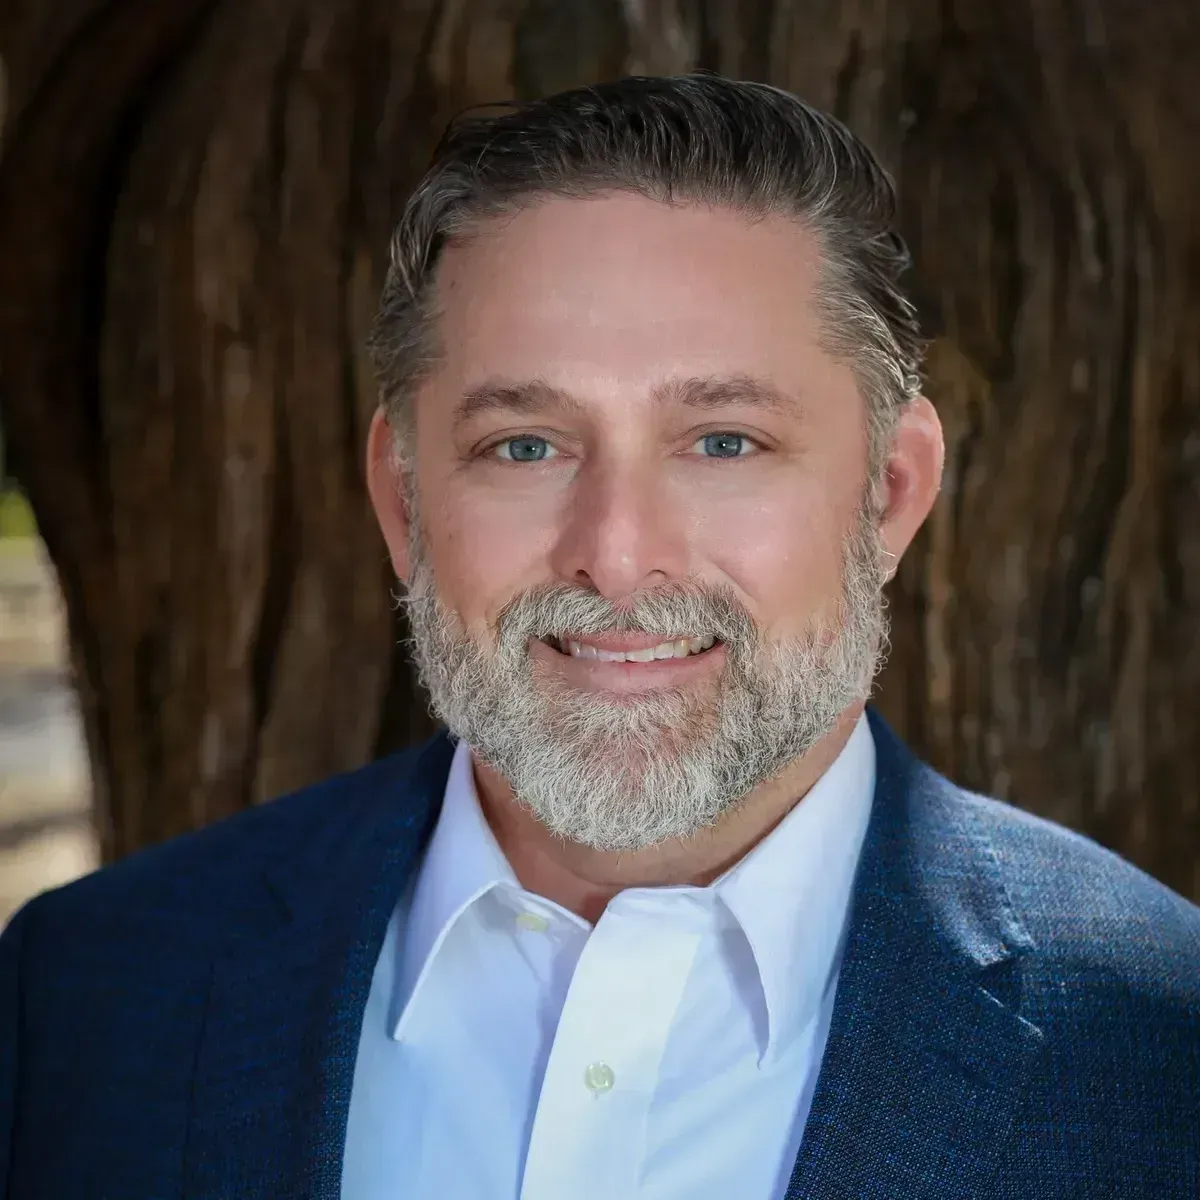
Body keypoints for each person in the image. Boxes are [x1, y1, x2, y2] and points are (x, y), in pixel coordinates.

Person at [2, 73, 1198, 1200]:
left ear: (889, 493)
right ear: (402, 500)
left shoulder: (1163, 1046)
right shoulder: (85, 997)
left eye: (725, 441)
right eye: (525, 445)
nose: (617, 555)